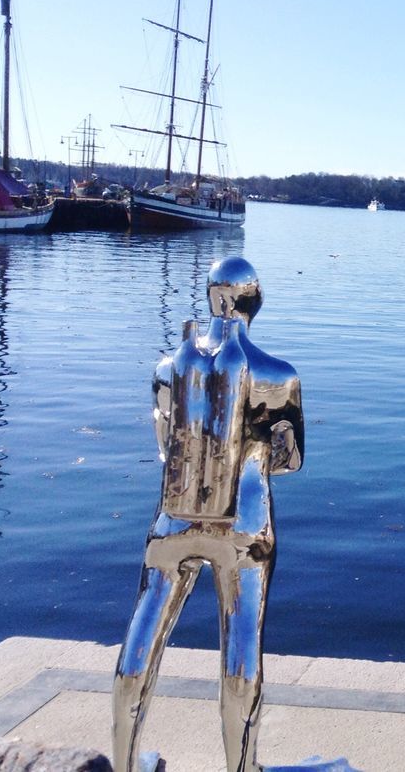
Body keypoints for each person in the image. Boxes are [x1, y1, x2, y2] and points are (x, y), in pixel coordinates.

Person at [113, 256, 303, 772]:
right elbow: (291, 461)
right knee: (241, 644)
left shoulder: (167, 368)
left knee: (144, 630)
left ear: (211, 296)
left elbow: (163, 445)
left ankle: (126, 760)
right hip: (243, 524)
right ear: (253, 301)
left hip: (173, 518)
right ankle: (241, 767)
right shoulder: (277, 376)